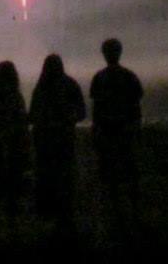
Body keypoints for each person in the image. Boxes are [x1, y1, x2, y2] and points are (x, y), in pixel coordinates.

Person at [90, 38, 143, 232]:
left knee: (111, 173)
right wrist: (136, 126)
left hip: (109, 131)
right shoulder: (129, 77)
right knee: (129, 172)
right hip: (124, 130)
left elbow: (96, 108)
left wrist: (96, 130)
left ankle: (116, 211)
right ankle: (133, 212)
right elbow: (136, 105)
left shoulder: (100, 78)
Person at [29, 54, 85, 231]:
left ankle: (50, 215)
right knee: (64, 177)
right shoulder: (70, 84)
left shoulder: (41, 87)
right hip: (63, 139)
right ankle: (64, 215)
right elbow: (82, 112)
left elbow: (33, 114)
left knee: (48, 177)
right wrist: (69, 120)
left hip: (46, 141)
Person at [0, 61, 30, 225]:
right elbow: (22, 125)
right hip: (14, 149)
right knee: (12, 192)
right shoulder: (16, 97)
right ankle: (11, 228)